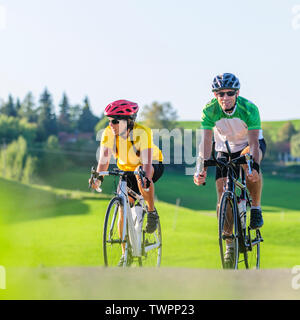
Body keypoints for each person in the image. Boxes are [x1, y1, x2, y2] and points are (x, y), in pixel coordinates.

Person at [193, 73, 266, 266]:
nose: (224, 97)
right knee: (221, 192)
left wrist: (254, 167)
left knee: (248, 165)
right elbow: (206, 141)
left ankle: (256, 208)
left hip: (250, 145)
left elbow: (253, 142)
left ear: (237, 93)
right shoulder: (209, 110)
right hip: (224, 149)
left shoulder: (249, 108)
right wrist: (201, 169)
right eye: (219, 93)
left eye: (229, 93)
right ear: (215, 95)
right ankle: (229, 244)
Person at [90, 99, 164, 264]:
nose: (111, 125)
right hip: (126, 169)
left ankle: (151, 212)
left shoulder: (142, 132)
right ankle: (126, 255)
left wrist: (143, 175)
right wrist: (99, 178)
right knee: (123, 207)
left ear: (128, 121)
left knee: (142, 175)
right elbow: (104, 159)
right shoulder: (108, 134)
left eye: (115, 121)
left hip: (152, 164)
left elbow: (146, 163)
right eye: (109, 121)